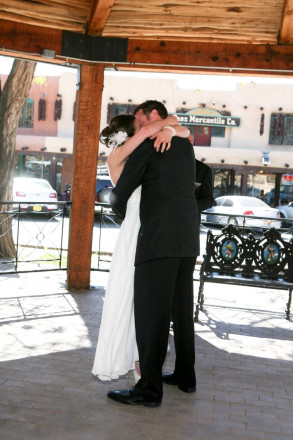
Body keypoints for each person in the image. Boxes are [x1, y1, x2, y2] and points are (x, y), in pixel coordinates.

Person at [108, 100, 200, 407]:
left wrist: (121, 213)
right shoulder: (185, 143)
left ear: (154, 118)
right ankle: (185, 376)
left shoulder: (149, 147)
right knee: (181, 312)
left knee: (152, 316)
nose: (138, 128)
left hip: (158, 242)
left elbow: (120, 192)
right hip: (187, 240)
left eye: (140, 122)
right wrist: (173, 127)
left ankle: (149, 389)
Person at [92, 112, 189, 381]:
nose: (143, 129)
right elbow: (150, 132)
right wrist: (169, 122)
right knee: (136, 297)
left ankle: (140, 365)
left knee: (141, 299)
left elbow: (180, 132)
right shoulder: (121, 154)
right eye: (138, 127)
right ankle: (139, 366)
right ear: (129, 133)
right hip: (140, 229)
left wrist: (171, 129)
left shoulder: (122, 157)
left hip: (143, 228)